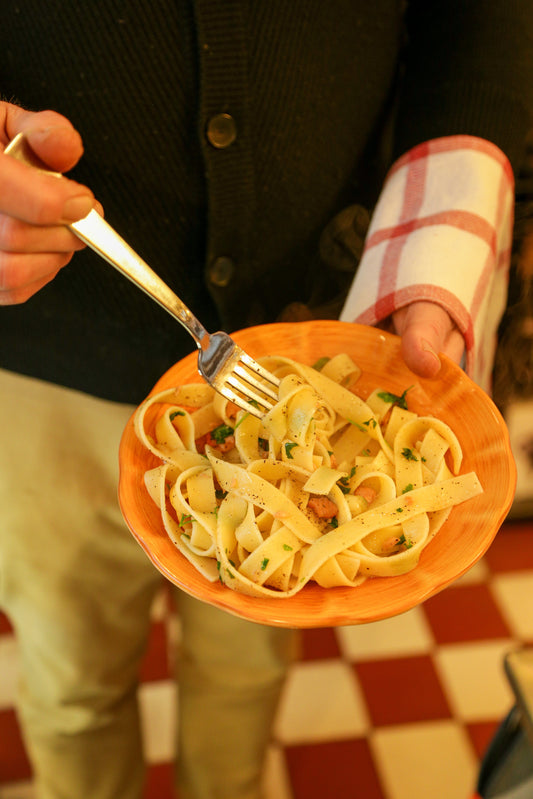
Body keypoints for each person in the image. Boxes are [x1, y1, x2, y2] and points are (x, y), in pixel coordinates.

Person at [0, 2, 532, 799]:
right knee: (71, 674)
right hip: (45, 356)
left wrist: (438, 229)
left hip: (320, 328)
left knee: (246, 673)